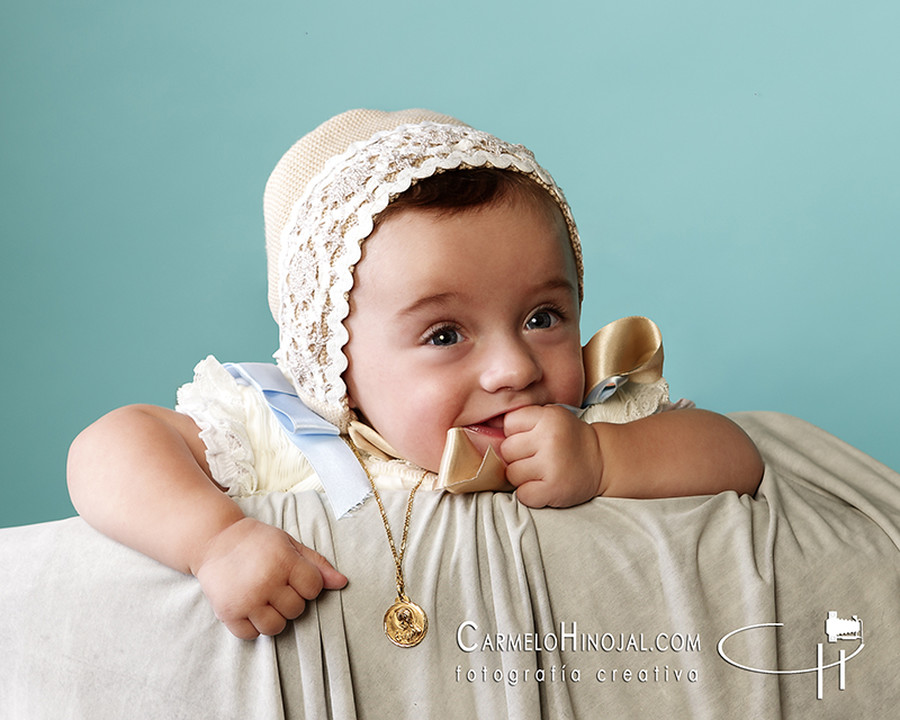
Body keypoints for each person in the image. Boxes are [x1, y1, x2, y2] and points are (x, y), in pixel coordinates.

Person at [67, 109, 763, 641]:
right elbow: (109, 447)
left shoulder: (585, 426)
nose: (514, 369)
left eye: (543, 317)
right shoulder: (293, 433)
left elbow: (737, 458)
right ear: (333, 361)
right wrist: (214, 540)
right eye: (445, 334)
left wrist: (606, 459)